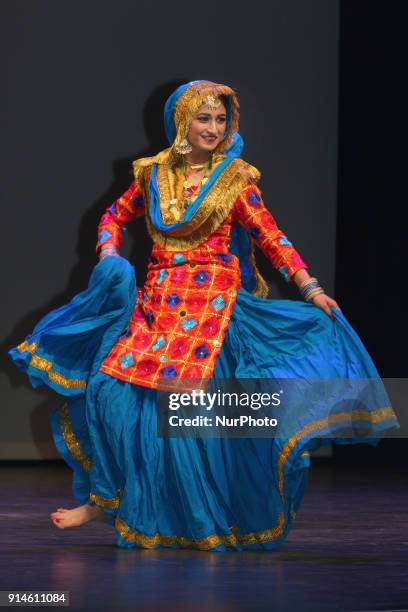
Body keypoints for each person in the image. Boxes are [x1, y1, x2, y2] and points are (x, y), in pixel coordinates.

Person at [9, 80, 398, 551]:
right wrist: (109, 254)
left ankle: (199, 517)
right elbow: (113, 215)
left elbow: (271, 237)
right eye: (204, 118)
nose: (213, 128)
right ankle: (106, 501)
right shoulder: (152, 175)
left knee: (192, 419)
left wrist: (310, 288)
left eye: (220, 119)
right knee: (111, 394)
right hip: (158, 300)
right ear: (182, 123)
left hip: (212, 304)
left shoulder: (235, 180)